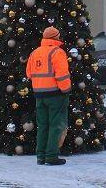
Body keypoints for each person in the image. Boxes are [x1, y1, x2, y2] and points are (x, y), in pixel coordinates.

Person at [26, 26, 72, 166]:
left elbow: (28, 73)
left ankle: (40, 156)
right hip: (55, 95)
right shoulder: (57, 52)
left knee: (43, 125)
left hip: (39, 94)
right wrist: (66, 90)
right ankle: (51, 156)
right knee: (55, 125)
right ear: (56, 37)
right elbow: (62, 74)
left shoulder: (35, 53)